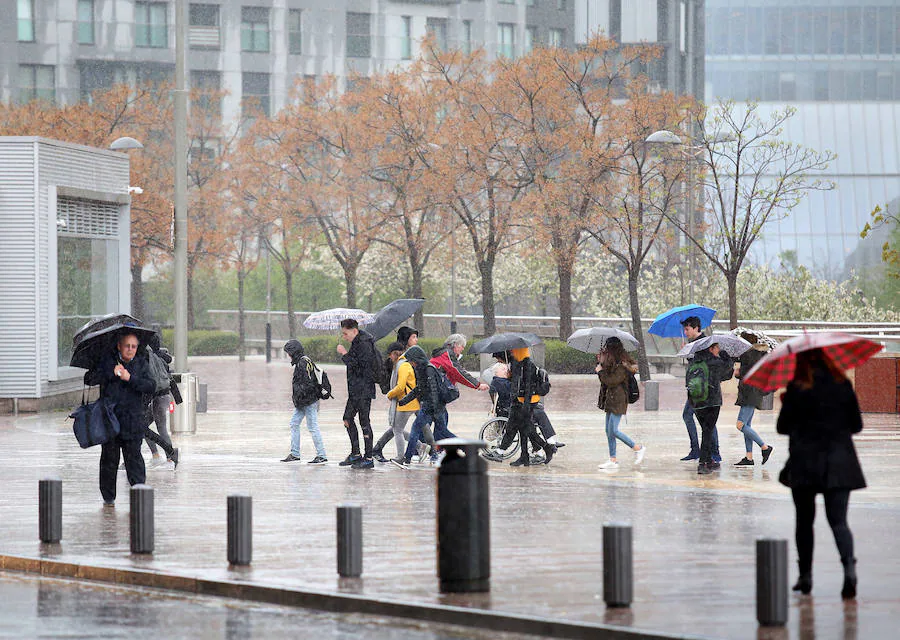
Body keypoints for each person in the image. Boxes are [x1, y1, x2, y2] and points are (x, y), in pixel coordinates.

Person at [777, 349, 865, 599]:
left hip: (805, 463)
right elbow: (856, 425)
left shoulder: (797, 387)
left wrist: (788, 405)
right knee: (839, 521)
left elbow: (783, 427)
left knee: (804, 522)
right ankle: (849, 570)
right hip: (839, 463)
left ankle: (805, 577)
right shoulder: (842, 384)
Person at [85, 332, 157, 506]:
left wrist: (129, 378)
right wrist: (111, 372)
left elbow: (151, 385)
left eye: (134, 346)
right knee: (109, 461)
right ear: (119, 346)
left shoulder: (141, 363)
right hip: (110, 421)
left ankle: (139, 493)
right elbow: (89, 378)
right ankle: (108, 498)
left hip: (133, 422)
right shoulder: (107, 361)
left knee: (134, 459)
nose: (130, 350)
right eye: (127, 346)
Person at [372, 328, 435, 463]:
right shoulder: (405, 360)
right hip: (412, 397)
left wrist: (391, 393)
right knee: (402, 427)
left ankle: (411, 452)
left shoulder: (406, 361)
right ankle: (428, 449)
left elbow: (401, 385)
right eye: (413, 337)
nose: (416, 340)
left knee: (398, 429)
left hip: (410, 398)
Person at [395, 345, 455, 467]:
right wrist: (404, 400)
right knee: (416, 429)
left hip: (435, 408)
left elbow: (434, 391)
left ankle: (466, 448)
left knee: (443, 432)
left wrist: (436, 411)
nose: (411, 364)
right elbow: (419, 389)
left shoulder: (429, 369)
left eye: (412, 361)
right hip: (429, 407)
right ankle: (407, 458)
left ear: (417, 359)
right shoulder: (420, 369)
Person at [596, 337, 646, 470]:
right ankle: (613, 459)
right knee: (608, 431)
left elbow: (611, 381)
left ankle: (638, 448)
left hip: (619, 400)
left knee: (614, 430)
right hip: (610, 399)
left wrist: (600, 371)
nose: (606, 350)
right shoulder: (613, 362)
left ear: (613, 349)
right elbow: (606, 379)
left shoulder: (622, 366)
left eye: (607, 348)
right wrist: (601, 362)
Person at [336, 319, 377, 470]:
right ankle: (356, 453)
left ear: (354, 331)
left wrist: (344, 354)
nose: (344, 337)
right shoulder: (357, 343)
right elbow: (355, 363)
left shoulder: (364, 343)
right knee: (347, 419)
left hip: (363, 390)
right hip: (355, 390)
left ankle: (368, 457)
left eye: (346, 333)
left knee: (364, 421)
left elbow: (360, 367)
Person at [687, 341, 733, 475]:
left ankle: (708, 460)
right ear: (711, 349)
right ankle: (703, 463)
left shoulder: (694, 363)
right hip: (712, 402)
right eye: (717, 347)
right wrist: (724, 355)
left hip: (696, 402)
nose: (718, 350)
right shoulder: (715, 362)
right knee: (708, 431)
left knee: (706, 430)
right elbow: (728, 369)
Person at [506, 347, 556, 467]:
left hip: (529, 401)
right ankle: (525, 456)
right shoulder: (515, 364)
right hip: (520, 401)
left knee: (526, 428)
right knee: (523, 429)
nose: (512, 352)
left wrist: (526, 406)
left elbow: (529, 387)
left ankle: (545, 447)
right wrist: (510, 376)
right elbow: (517, 384)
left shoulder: (529, 366)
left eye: (514, 350)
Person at [680, 317, 720, 463]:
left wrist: (691, 355)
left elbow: (705, 365)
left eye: (687, 329)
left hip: (704, 390)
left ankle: (711, 452)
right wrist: (688, 354)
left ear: (696, 328)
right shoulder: (694, 344)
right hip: (696, 389)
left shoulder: (704, 343)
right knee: (694, 418)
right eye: (684, 329)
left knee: (707, 422)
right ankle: (698, 449)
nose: (685, 332)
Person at [281, 339, 328, 464]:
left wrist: (301, 398)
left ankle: (321, 455)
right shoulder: (303, 361)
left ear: (293, 352)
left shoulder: (302, 363)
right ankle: (295, 453)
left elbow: (307, 383)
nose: (288, 355)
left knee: (312, 427)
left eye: (288, 352)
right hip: (304, 401)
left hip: (308, 401)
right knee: (294, 423)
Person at [733, 333, 774, 467]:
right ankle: (749, 457)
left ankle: (764, 447)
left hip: (749, 394)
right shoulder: (758, 355)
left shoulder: (748, 355)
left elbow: (747, 375)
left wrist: (739, 373)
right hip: (752, 393)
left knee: (740, 425)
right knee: (747, 426)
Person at [144, 333, 178, 469]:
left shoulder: (152, 358)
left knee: (160, 427)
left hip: (158, 397)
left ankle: (170, 458)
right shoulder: (161, 357)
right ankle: (157, 456)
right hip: (163, 396)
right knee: (144, 427)